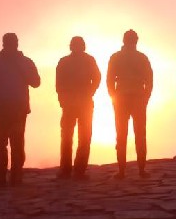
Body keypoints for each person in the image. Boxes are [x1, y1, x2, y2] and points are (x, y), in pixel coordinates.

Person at [0, 33, 40, 188]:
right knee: (15, 143)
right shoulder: (24, 62)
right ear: (16, 43)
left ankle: (3, 178)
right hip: (15, 108)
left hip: (6, 108)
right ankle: (15, 177)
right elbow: (36, 82)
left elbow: (35, 82)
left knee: (3, 144)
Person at [107, 30, 153, 179]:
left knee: (121, 135)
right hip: (137, 98)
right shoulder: (142, 58)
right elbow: (149, 81)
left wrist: (114, 96)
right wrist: (145, 97)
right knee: (140, 134)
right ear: (136, 41)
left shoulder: (116, 57)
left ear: (124, 40)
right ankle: (141, 169)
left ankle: (121, 171)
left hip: (122, 99)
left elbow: (109, 80)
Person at [55, 36, 101, 180]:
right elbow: (59, 84)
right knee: (74, 137)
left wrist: (90, 92)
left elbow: (97, 78)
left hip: (81, 103)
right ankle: (71, 170)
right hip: (75, 103)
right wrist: (63, 99)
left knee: (79, 137)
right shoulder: (66, 62)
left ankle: (73, 170)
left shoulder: (84, 60)